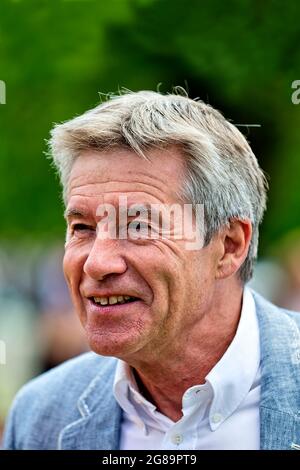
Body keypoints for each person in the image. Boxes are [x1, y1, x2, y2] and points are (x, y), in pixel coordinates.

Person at [3, 90, 300, 450]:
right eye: (82, 228)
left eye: (139, 227)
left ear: (229, 246)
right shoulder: (41, 416)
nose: (97, 263)